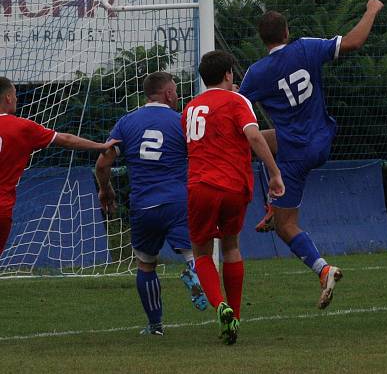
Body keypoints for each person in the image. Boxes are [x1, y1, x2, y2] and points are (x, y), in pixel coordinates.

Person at [238, 0, 383, 309]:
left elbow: (237, 110)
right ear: (287, 32)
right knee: (261, 140)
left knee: (286, 225)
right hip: (321, 139)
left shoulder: (257, 72)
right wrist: (371, 10)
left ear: (262, 40)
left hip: (295, 152)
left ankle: (323, 269)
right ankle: (271, 205)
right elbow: (355, 41)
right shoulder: (306, 48)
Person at [95, 72, 209, 337]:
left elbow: (102, 163)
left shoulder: (127, 122)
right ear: (168, 93)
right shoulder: (181, 121)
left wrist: (105, 189)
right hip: (177, 201)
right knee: (195, 255)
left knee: (146, 264)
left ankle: (155, 325)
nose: (178, 96)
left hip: (143, 205)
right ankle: (196, 279)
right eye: (176, 91)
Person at [183, 51, 284, 345]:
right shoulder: (238, 101)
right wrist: (275, 172)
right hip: (233, 186)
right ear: (229, 74)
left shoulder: (190, 107)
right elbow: (253, 136)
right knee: (231, 247)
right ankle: (235, 315)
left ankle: (219, 306)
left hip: (200, 186)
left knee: (201, 253)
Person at [0, 76, 117, 253]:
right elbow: (67, 140)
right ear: (8, 97)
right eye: (15, 94)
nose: (16, 98)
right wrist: (100, 146)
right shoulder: (22, 127)